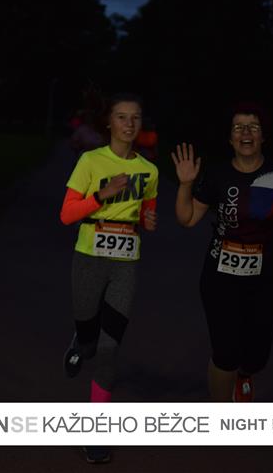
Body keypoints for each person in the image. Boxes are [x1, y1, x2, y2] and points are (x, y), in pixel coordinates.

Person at [171, 102, 273, 402]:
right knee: (225, 353)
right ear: (230, 138)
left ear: (262, 136)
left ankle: (245, 374)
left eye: (253, 127)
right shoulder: (217, 174)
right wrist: (185, 185)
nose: (246, 132)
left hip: (265, 280)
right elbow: (187, 218)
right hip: (220, 277)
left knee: (257, 356)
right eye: (238, 127)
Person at [59, 93, 158, 463]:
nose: (129, 124)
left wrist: (148, 220)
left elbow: (146, 214)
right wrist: (103, 194)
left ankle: (96, 431)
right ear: (109, 122)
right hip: (89, 258)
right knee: (90, 342)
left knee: (109, 349)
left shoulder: (149, 171)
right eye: (121, 117)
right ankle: (80, 340)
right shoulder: (90, 161)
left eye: (135, 117)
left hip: (125, 264)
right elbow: (66, 215)